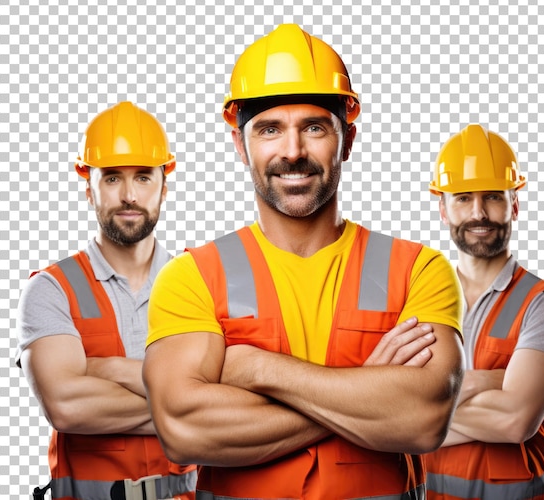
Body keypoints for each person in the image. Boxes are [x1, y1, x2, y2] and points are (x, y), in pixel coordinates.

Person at [143, 24, 464, 500]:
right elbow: (183, 429)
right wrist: (365, 391)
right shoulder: (191, 277)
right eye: (269, 129)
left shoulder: (419, 268)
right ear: (240, 144)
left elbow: (423, 420)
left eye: (315, 128)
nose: (292, 152)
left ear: (347, 140)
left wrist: (256, 370)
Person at [16, 101, 197, 500]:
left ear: (164, 187)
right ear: (89, 187)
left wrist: (108, 369)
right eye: (112, 178)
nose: (129, 195)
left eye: (144, 177)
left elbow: (239, 398)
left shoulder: (201, 282)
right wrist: (192, 404)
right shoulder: (52, 289)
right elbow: (65, 406)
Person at [424, 124, 544, 500]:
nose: (479, 212)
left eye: (493, 197)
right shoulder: (418, 300)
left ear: (514, 204)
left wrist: (416, 408)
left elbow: (515, 419)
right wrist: (494, 381)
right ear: (443, 209)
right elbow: (377, 410)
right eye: (463, 198)